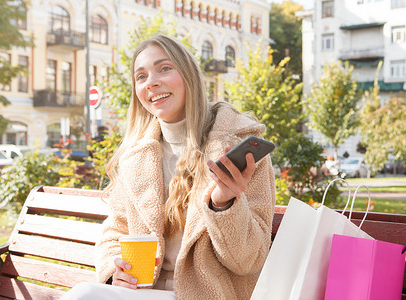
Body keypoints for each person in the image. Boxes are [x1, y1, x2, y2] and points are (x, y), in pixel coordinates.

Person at [61, 34, 276, 300]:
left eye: (164, 68)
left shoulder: (237, 146)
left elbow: (249, 260)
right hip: (142, 292)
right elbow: (114, 231)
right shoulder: (136, 157)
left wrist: (223, 205)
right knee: (83, 295)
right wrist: (113, 269)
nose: (151, 82)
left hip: (205, 296)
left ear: (188, 76)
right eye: (141, 76)